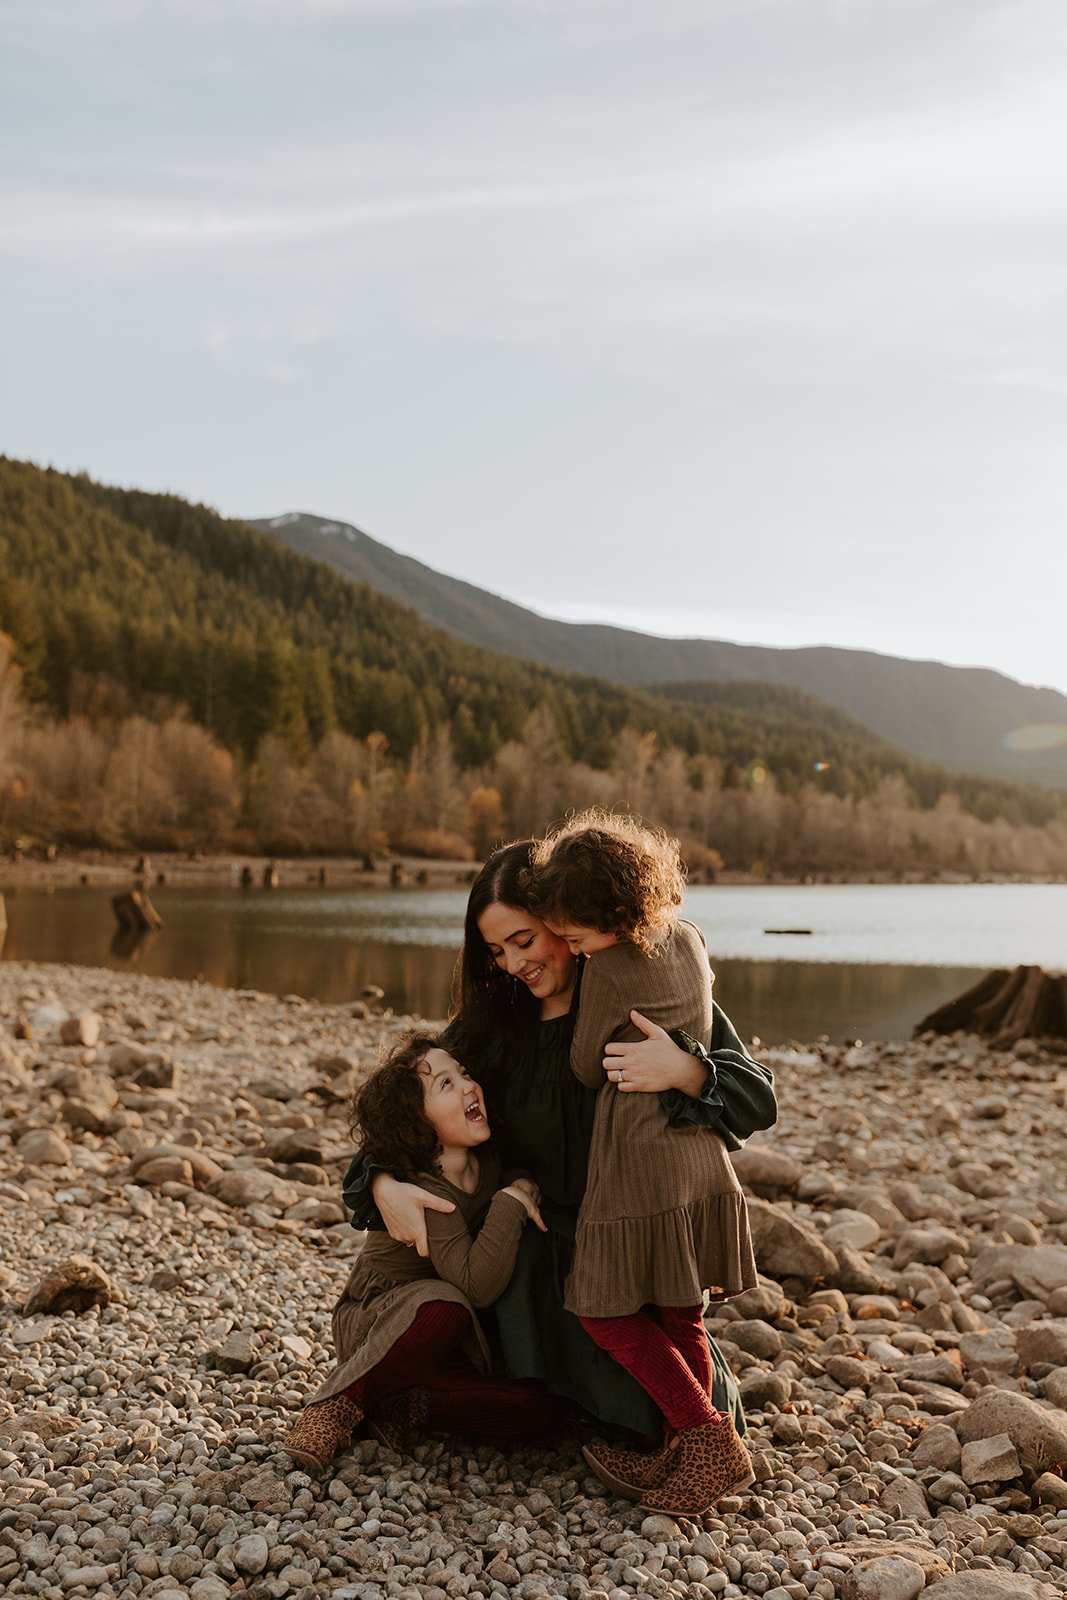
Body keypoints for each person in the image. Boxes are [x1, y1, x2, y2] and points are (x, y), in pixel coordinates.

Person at [343, 840, 777, 1489]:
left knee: (669, 1412)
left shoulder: (648, 986)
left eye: (524, 940)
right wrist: (381, 1186)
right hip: (522, 1257)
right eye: (495, 951)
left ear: (564, 919)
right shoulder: (492, 1025)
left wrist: (687, 1070)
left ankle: (691, 1443)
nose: (514, 964)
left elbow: (757, 1098)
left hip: (630, 1245)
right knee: (535, 1407)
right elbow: (395, 1120)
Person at [525, 809, 759, 1513]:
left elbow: (585, 1066)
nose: (569, 944)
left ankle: (706, 1439)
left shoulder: (612, 968)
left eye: (574, 933)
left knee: (602, 1311)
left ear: (614, 915)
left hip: (637, 1160)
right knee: (678, 1311)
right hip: (698, 1155)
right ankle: (687, 1450)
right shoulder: (688, 936)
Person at [283, 1032, 563, 1474]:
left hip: (443, 1347)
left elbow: (509, 1172)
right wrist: (510, 1203)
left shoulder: (484, 1159)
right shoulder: (428, 1191)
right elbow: (477, 1286)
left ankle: (401, 1407)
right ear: (418, 1124)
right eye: (446, 1085)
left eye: (464, 1074)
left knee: (536, 1409)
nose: (470, 1086)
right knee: (443, 1305)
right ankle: (336, 1404)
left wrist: (523, 1182)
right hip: (380, 1324)